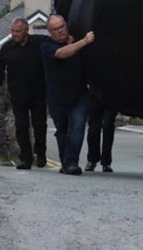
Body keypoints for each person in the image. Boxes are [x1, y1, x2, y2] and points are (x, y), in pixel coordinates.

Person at [0, 17, 47, 169]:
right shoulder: (7, 47)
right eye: (12, 31)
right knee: (21, 127)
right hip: (18, 94)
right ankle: (26, 159)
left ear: (26, 30)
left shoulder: (39, 42)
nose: (14, 34)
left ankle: (41, 154)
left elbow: (55, 43)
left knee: (39, 125)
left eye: (18, 31)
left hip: (38, 93)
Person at [41, 14, 93, 175]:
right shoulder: (46, 46)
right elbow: (62, 53)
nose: (61, 31)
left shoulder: (75, 41)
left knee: (76, 129)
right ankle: (65, 162)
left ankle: (71, 162)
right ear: (50, 32)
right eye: (56, 29)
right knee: (62, 130)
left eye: (63, 26)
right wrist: (84, 41)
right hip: (57, 97)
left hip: (79, 94)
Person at [86, 87, 117, 172]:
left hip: (111, 96)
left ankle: (106, 162)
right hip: (94, 95)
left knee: (108, 126)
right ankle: (92, 159)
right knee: (93, 129)